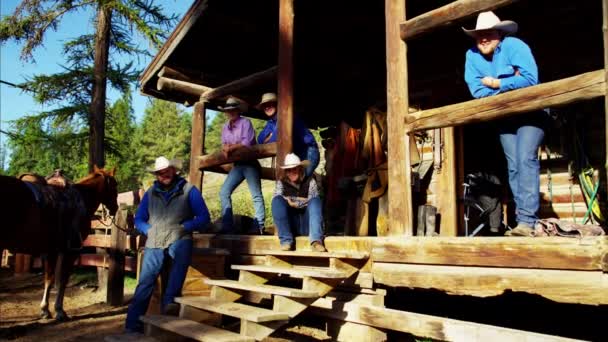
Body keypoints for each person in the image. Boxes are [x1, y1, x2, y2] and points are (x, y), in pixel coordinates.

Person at [463, 11, 544, 236]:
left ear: (499, 33)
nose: (484, 38)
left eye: (488, 33)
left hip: (531, 112)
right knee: (514, 165)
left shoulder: (515, 46)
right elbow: (477, 91)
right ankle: (523, 222)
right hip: (505, 116)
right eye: (479, 35)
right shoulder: (471, 56)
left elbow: (530, 79)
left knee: (525, 158)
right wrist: (511, 82)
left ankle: (528, 221)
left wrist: (497, 83)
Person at [125, 156, 210, 333]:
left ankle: (168, 309)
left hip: (179, 236)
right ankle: (132, 327)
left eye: (167, 170)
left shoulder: (189, 190)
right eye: (160, 172)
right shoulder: (149, 193)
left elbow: (204, 217)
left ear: (173, 170)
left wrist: (186, 226)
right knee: (145, 281)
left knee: (180, 261)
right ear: (156, 174)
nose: (164, 174)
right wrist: (147, 229)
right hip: (155, 238)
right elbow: (139, 219)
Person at [219, 96, 266, 234]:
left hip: (250, 163)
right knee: (224, 192)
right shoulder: (225, 127)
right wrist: (225, 148)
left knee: (256, 194)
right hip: (238, 165)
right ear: (226, 112)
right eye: (228, 110)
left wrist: (231, 148)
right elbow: (224, 143)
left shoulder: (246, 123)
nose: (231, 112)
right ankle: (227, 226)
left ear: (238, 111)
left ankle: (259, 225)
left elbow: (247, 142)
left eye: (233, 110)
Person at [256, 92, 320, 177]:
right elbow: (260, 140)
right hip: (294, 155)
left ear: (277, 104)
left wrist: (270, 136)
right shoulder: (271, 122)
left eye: (270, 104)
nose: (267, 107)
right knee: (293, 183)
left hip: (308, 151)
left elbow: (277, 139)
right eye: (265, 105)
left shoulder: (287, 116)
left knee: (299, 180)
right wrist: (273, 135)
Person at [272, 153, 326, 252]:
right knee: (277, 201)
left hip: (308, 224)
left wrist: (293, 202)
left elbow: (313, 199)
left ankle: (316, 241)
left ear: (300, 168)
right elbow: (277, 197)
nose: (291, 172)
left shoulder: (310, 181)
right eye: (288, 170)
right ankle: (286, 241)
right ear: (286, 172)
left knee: (315, 201)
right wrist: (303, 200)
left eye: (294, 169)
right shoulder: (281, 183)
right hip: (291, 224)